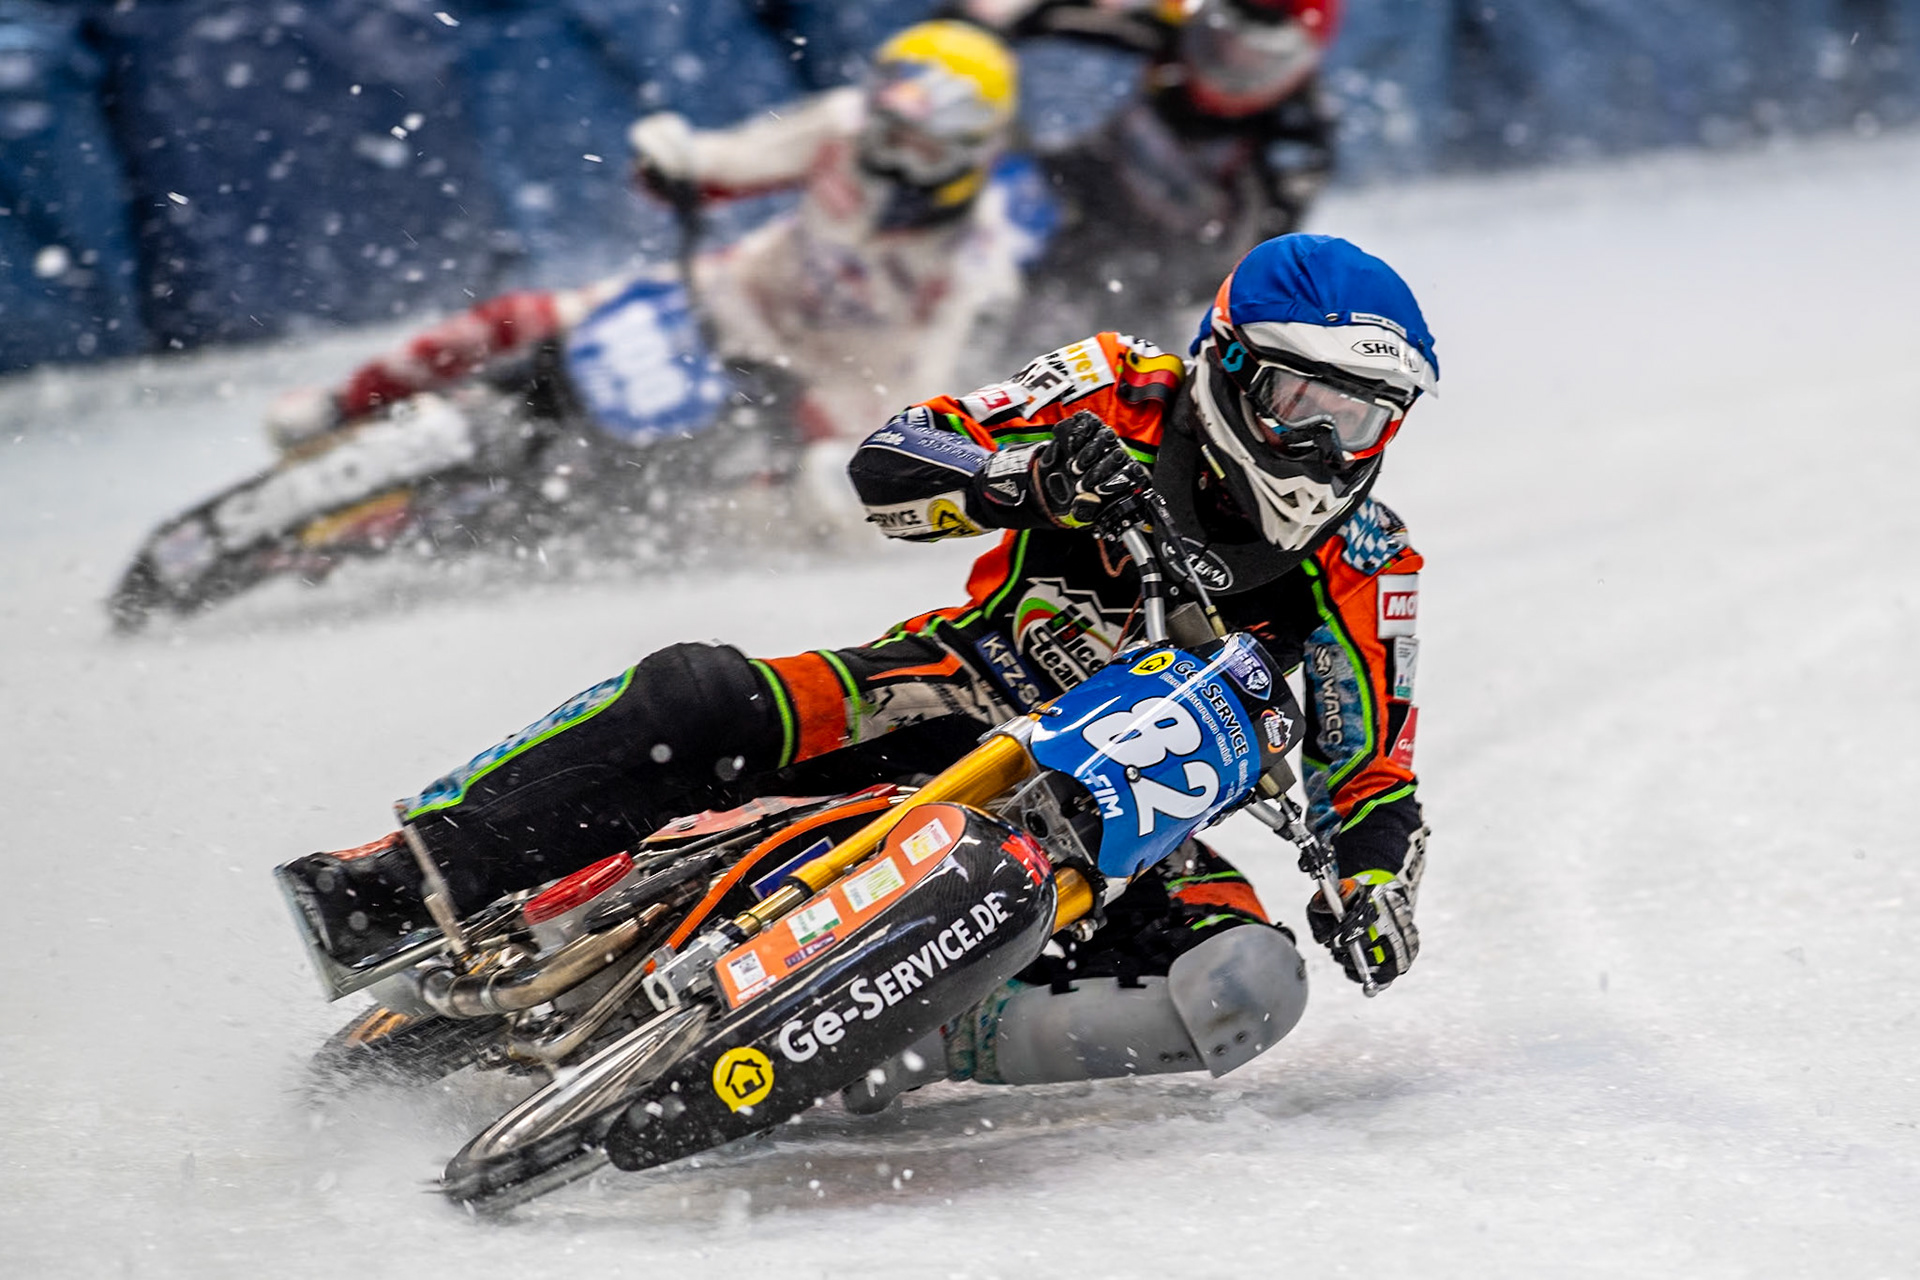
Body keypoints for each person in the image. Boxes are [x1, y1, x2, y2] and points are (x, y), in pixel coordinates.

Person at [281, 232, 1433, 1100]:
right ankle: (406, 872)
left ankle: (927, 1034)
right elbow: (895, 458)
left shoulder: (1369, 567)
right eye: (1306, 402)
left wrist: (1376, 889)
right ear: (1226, 364)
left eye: (1365, 418)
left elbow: (1372, 770)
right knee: (699, 693)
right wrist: (1027, 484)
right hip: (944, 690)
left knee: (1248, 984)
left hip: (1121, 820)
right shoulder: (1113, 388)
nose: (1332, 449)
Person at [264, 20, 1030, 458]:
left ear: (972, 150)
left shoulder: (977, 264)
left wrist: (868, 450)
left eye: (918, 145)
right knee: (519, 317)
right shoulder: (842, 125)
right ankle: (343, 405)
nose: (888, 157)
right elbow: (724, 164)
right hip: (732, 293)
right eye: (887, 129)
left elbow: (930, 394)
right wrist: (674, 158)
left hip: (830, 378)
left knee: (785, 487)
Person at [956, 0, 1341, 350]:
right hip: (1086, 184)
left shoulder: (1296, 139)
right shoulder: (1170, 32)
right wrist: (973, 30)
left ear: (1302, 66)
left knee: (1116, 360)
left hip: (1166, 265)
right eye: (1217, 40)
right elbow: (1052, 16)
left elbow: (1264, 255)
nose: (1228, 65)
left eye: (1260, 60)